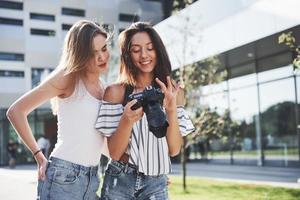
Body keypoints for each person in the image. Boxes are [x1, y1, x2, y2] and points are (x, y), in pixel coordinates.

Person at [6, 20, 110, 200]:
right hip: (63, 177)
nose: (102, 56)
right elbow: (16, 111)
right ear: (81, 54)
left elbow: (101, 142)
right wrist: (39, 155)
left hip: (92, 178)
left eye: (104, 48)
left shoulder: (105, 87)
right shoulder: (68, 77)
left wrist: (146, 169)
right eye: (93, 53)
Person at [95, 22, 195, 199]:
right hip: (120, 178)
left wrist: (170, 109)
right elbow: (114, 153)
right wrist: (126, 120)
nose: (144, 55)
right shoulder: (116, 92)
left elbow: (173, 150)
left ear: (158, 50)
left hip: (156, 182)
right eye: (136, 50)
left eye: (150, 48)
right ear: (127, 54)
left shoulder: (173, 92)